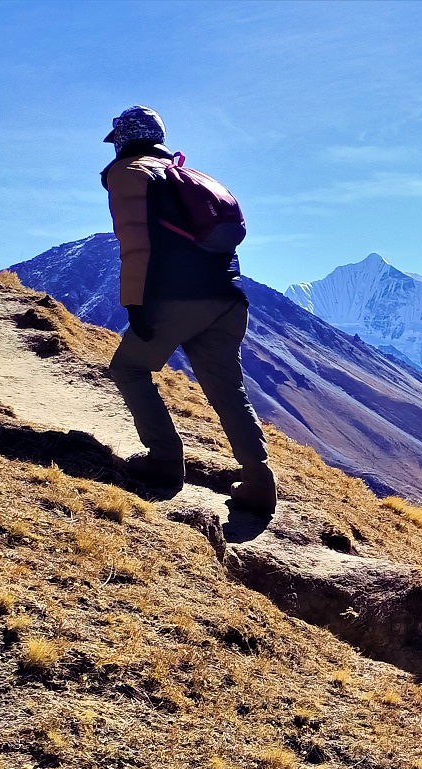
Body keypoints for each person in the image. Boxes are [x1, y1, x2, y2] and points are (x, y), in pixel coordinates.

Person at [100, 105, 276, 513]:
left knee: (129, 368)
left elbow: (137, 243)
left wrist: (135, 303)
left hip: (174, 297)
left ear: (124, 140)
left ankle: (164, 461)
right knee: (228, 390)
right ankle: (259, 483)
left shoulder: (130, 173)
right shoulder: (186, 175)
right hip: (227, 298)